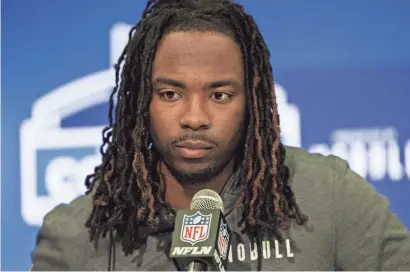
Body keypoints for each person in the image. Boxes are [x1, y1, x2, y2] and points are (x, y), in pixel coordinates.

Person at [31, 0, 410, 270]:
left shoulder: (330, 197)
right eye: (170, 94)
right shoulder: (75, 237)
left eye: (219, 95)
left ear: (253, 102)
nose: (194, 117)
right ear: (140, 103)